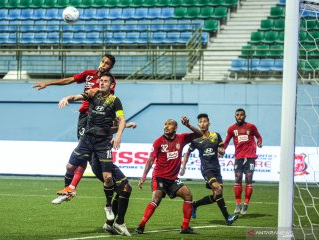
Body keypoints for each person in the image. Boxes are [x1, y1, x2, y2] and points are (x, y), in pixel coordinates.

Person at [33, 54, 116, 204]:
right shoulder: (89, 74)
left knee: (87, 158)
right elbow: (70, 80)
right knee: (79, 158)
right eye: (103, 61)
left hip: (97, 118)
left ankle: (74, 188)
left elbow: (95, 93)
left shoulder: (109, 81)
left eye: (107, 63)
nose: (103, 64)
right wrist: (48, 83)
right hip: (84, 117)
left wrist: (72, 97)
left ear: (111, 67)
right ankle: (69, 189)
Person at [57, 73, 131, 236]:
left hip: (103, 142)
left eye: (106, 81)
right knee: (70, 165)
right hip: (87, 139)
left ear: (111, 85)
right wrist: (67, 98)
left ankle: (108, 206)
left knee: (108, 178)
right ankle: (68, 190)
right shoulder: (93, 93)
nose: (103, 83)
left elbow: (122, 119)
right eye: (101, 80)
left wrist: (118, 135)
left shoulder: (115, 100)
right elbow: (77, 96)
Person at [135, 117, 202, 235]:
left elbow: (200, 134)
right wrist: (143, 176)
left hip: (173, 179)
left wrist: (188, 125)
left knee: (188, 195)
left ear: (175, 128)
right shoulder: (158, 141)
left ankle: (185, 228)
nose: (166, 126)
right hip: (159, 177)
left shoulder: (181, 138)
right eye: (165, 124)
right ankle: (141, 226)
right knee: (156, 199)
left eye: (169, 124)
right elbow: (150, 160)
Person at [180, 113, 238, 226]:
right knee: (218, 189)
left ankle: (195, 205)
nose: (202, 123)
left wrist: (222, 151)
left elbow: (222, 149)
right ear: (198, 124)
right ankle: (228, 218)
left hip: (217, 168)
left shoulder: (216, 135)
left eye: (204, 121)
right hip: (206, 169)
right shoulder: (196, 139)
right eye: (200, 122)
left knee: (217, 195)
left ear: (209, 123)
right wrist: (183, 167)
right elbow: (187, 153)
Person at [223, 108, 263, 215]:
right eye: (237, 115)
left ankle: (246, 205)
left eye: (241, 115)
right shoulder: (231, 129)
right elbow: (226, 142)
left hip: (250, 156)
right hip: (239, 157)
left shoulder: (251, 127)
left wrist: (259, 142)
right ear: (235, 116)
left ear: (245, 116)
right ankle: (238, 204)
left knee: (249, 179)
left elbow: (259, 137)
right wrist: (222, 149)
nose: (239, 116)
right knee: (238, 178)